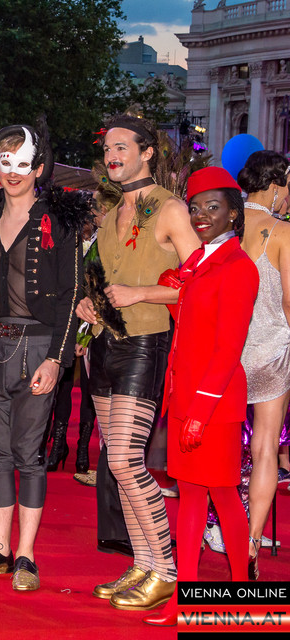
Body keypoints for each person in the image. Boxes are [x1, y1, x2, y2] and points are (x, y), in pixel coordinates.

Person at [75, 115, 199, 610]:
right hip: (102, 344)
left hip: (146, 341)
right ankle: (144, 563)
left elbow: (201, 281)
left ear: (147, 153)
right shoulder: (110, 215)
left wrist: (141, 292)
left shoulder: (170, 208)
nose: (112, 156)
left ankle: (166, 570)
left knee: (127, 461)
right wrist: (87, 305)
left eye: (122, 147)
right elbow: (100, 283)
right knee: (116, 461)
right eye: (108, 148)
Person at [0, 122, 84, 592]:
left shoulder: (61, 221)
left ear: (39, 168)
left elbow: (72, 295)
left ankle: (26, 555)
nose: (13, 172)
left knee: (28, 454)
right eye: (5, 161)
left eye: (23, 162)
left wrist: (56, 359)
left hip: (38, 348)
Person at [143, 167, 256, 626]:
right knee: (190, 499)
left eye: (213, 206)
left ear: (234, 213)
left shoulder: (238, 267)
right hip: (186, 398)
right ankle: (183, 599)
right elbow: (192, 328)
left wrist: (201, 411)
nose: (202, 215)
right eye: (195, 208)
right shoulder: (199, 264)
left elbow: (229, 348)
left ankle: (243, 597)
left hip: (214, 405)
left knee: (224, 496)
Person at [236, 150, 290, 578]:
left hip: (226, 355)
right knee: (266, 448)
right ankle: (251, 540)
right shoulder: (283, 232)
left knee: (221, 450)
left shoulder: (223, 225)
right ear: (273, 186)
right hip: (271, 354)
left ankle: (219, 525)